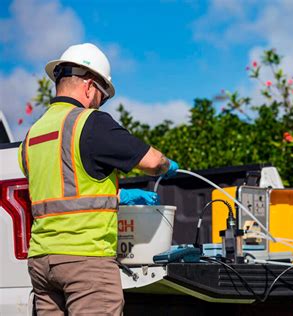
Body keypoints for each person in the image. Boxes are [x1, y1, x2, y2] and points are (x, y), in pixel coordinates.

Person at [18, 43, 179, 315]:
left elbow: (65, 191)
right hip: (85, 260)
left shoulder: (32, 136)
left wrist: (119, 197)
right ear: (90, 87)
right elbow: (151, 161)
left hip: (41, 262)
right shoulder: (89, 123)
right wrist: (167, 165)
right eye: (103, 97)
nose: (100, 104)